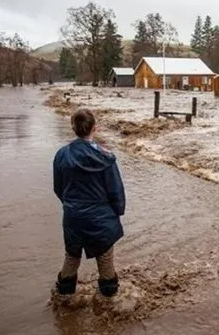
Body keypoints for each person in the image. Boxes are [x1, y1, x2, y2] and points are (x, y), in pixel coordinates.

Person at [52, 109, 126, 297]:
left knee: (72, 257)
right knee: (105, 260)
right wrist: (117, 212)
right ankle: (109, 306)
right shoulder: (106, 157)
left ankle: (64, 300)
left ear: (73, 128)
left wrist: (71, 205)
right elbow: (116, 191)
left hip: (73, 216)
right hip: (101, 217)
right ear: (95, 128)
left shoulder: (61, 155)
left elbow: (58, 188)